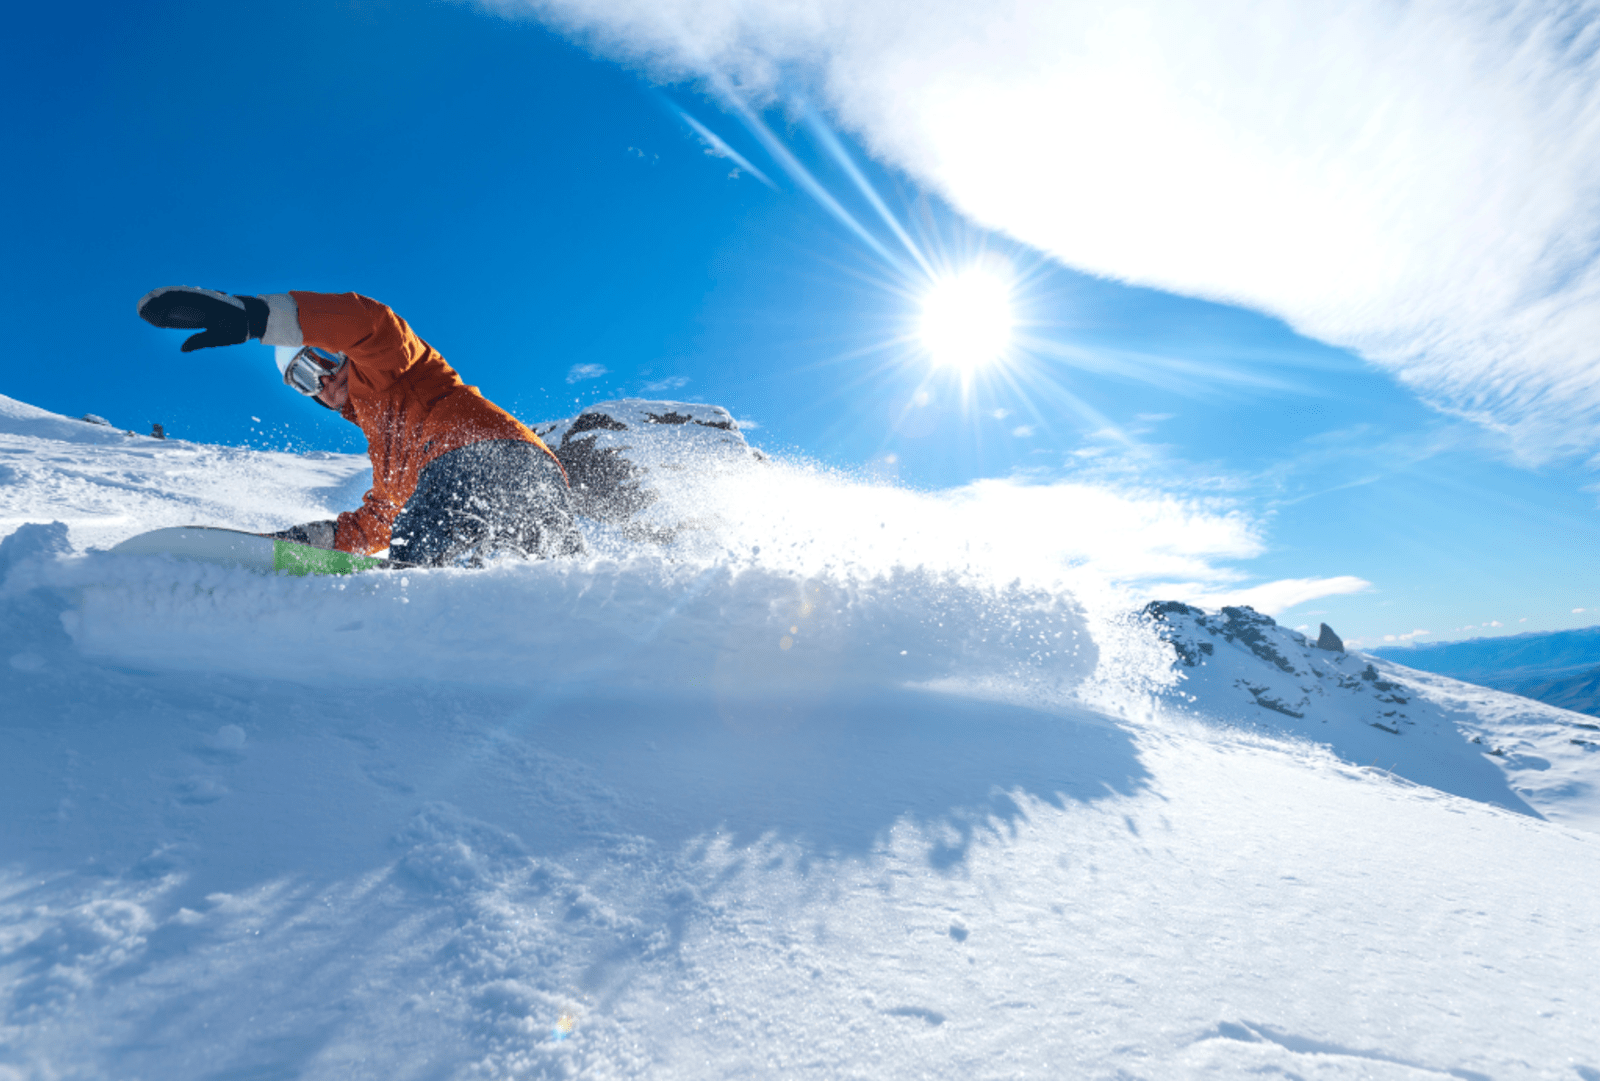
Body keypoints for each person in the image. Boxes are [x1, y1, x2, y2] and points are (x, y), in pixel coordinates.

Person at [138, 286, 583, 566]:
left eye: (322, 360)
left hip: (488, 458)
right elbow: (374, 523)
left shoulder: (390, 365)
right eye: (304, 378)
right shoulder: (388, 458)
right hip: (539, 485)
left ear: (342, 353)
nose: (324, 380)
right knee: (548, 580)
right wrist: (295, 545)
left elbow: (369, 323)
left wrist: (254, 318)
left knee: (419, 571)